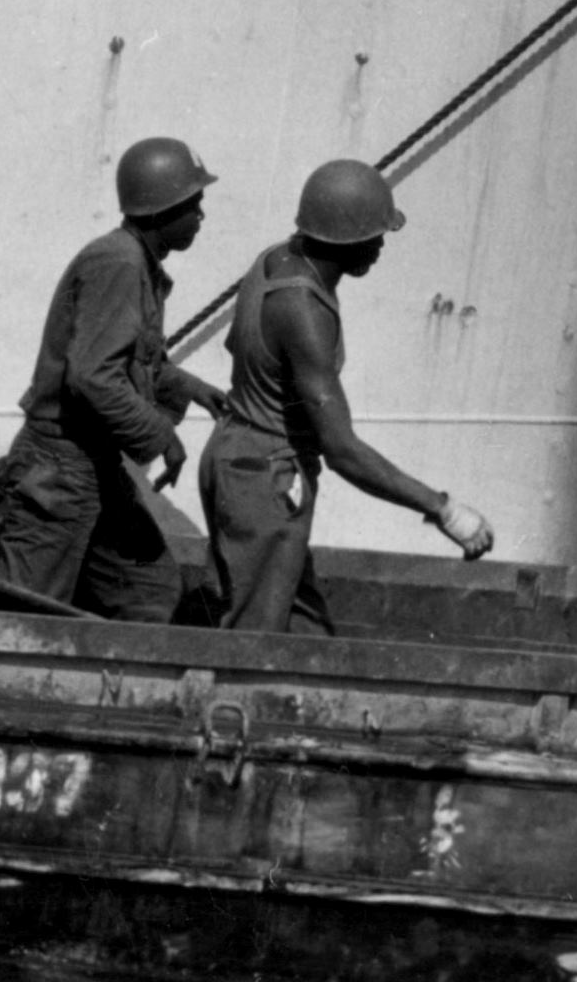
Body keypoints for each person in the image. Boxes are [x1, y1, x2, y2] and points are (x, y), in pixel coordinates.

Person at [201, 160, 494, 635]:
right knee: (252, 648)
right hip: (264, 479)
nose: (380, 246)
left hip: (238, 456)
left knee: (307, 635)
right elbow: (341, 450)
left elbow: (240, 348)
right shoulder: (303, 309)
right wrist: (441, 507)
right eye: (374, 235)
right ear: (344, 237)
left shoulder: (274, 261)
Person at [0, 136, 223, 620]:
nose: (201, 216)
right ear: (161, 210)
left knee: (148, 593)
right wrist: (162, 439)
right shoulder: (118, 262)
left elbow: (136, 363)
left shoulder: (137, 263)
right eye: (193, 205)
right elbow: (92, 378)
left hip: (95, 466)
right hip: (59, 466)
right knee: (21, 613)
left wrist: (191, 390)